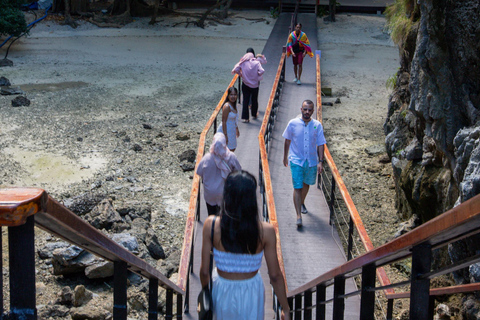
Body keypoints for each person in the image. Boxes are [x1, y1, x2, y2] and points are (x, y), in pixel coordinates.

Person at [200, 171, 291, 320]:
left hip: (222, 287)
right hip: (251, 289)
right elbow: (274, 275)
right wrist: (285, 308)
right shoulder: (265, 231)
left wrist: (206, 291)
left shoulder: (211, 225)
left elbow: (204, 272)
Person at [282, 100, 326, 227]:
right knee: (297, 186)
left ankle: (301, 202)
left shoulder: (317, 125)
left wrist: (320, 162)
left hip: (311, 160)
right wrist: (285, 157)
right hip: (296, 159)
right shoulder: (293, 123)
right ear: (301, 109)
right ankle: (298, 216)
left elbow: (320, 144)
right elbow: (287, 140)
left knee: (307, 184)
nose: (307, 112)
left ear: (313, 111)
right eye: (305, 109)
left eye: (310, 110)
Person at [196, 132, 242, 216]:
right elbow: (239, 172)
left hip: (210, 193)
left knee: (211, 215)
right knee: (225, 215)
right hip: (225, 192)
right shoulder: (231, 156)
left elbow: (199, 172)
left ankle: (212, 227)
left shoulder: (207, 158)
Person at [232, 51, 265, 123]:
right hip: (255, 85)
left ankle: (245, 117)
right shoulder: (256, 63)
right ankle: (254, 114)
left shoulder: (243, 62)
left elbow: (236, 69)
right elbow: (262, 71)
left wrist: (241, 74)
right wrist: (257, 74)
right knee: (254, 100)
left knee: (245, 100)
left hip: (245, 84)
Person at [218, 87, 239, 151]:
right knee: (227, 150)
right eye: (231, 95)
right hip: (226, 129)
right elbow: (223, 121)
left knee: (232, 148)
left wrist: (237, 129)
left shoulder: (234, 105)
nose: (233, 96)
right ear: (228, 96)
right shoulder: (227, 106)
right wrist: (225, 136)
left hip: (232, 129)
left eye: (235, 94)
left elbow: (234, 119)